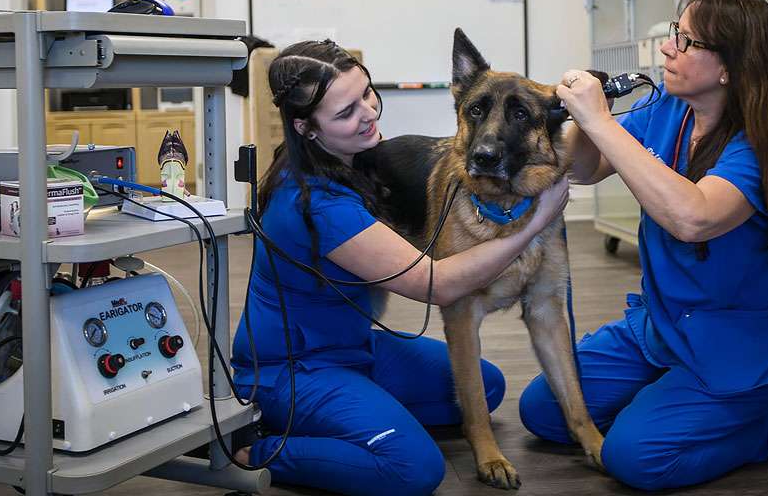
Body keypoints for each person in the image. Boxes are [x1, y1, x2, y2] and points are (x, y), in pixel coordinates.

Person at [519, 0, 768, 490]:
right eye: (674, 33)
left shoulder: (757, 146)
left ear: (730, 65)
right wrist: (580, 118)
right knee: (546, 412)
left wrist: (601, 118)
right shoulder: (670, 106)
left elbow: (693, 218)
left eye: (686, 41)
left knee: (635, 459)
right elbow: (584, 168)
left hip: (735, 344)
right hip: (663, 326)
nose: (667, 47)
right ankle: (678, 400)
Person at [229, 39, 571, 496]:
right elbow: (438, 284)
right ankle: (260, 449)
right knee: (412, 469)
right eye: (347, 111)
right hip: (293, 370)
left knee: (486, 387)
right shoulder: (318, 204)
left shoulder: (356, 165)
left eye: (367, 94)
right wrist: (535, 223)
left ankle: (354, 416)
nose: (369, 112)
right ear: (306, 128)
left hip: (354, 349)